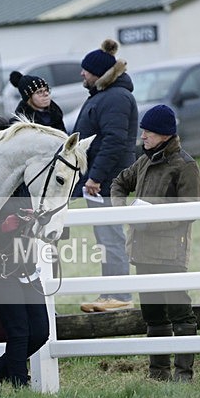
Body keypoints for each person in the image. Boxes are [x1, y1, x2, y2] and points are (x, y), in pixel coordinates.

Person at [112, 104, 200, 382]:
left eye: (148, 132)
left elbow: (191, 210)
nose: (143, 136)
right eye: (143, 131)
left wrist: (146, 219)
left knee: (180, 312)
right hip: (142, 252)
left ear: (164, 134)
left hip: (170, 253)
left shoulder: (185, 166)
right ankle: (158, 373)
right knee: (152, 314)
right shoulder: (144, 161)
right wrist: (122, 210)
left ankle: (184, 374)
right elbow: (118, 183)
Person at [0, 116, 49, 390]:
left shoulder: (22, 176)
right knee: (19, 330)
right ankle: (20, 386)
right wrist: (1, 227)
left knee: (40, 332)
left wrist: (33, 218)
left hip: (25, 263)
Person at [73, 39, 138, 313]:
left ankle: (119, 296)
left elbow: (113, 141)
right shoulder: (106, 96)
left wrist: (95, 178)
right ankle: (110, 293)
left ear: (99, 74)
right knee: (105, 238)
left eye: (86, 70)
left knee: (110, 237)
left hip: (107, 183)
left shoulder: (115, 98)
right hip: (101, 181)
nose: (82, 74)